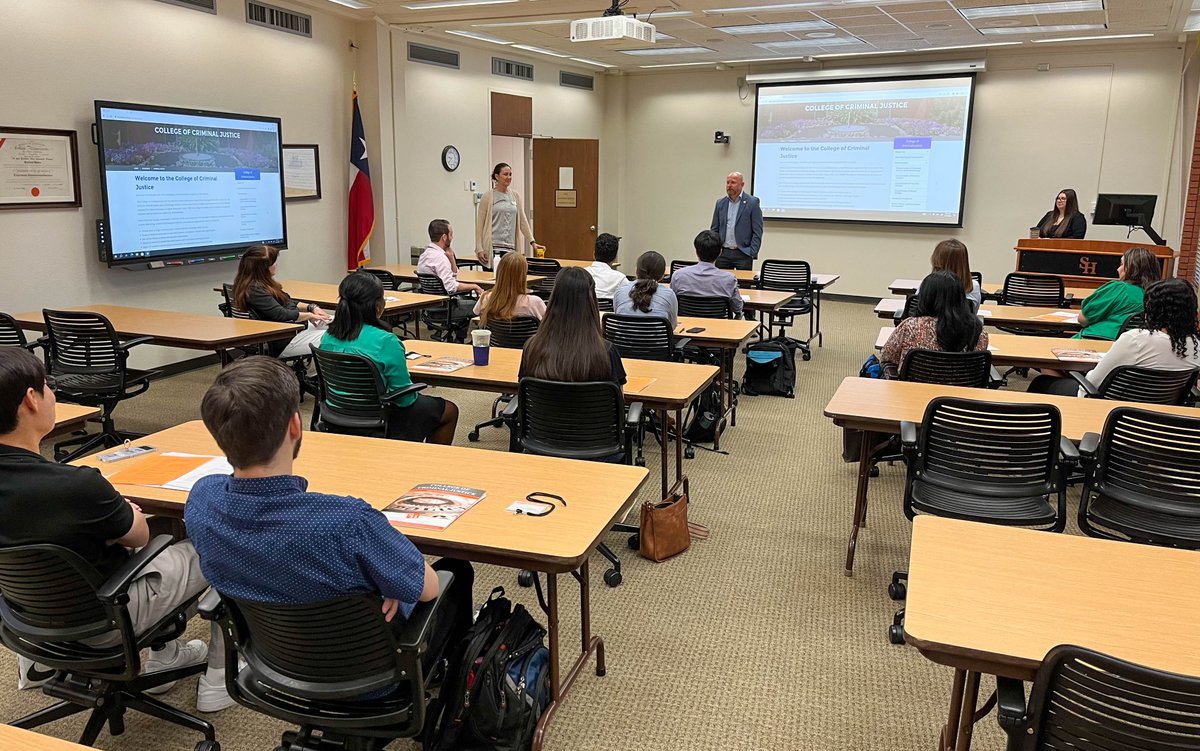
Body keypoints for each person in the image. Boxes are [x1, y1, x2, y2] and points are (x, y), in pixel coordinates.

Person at [185, 357, 474, 685]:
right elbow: (428, 588)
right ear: (295, 426)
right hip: (374, 678)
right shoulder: (348, 523)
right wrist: (390, 575)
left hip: (277, 668)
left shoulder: (201, 500)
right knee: (456, 570)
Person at [0, 348, 230, 711]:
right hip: (105, 621)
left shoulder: (65, 488)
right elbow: (139, 537)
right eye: (49, 385)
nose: (54, 394)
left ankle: (41, 664)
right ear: (30, 400)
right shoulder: (75, 486)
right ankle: (220, 678)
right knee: (219, 542)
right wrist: (128, 514)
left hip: (24, 619)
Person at [320, 272, 459, 444]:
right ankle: (428, 466)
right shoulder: (386, 341)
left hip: (336, 414)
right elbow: (405, 399)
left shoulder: (327, 336)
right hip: (379, 416)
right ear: (378, 305)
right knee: (450, 411)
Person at [1029, 278, 1200, 396]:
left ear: (1153, 309)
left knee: (1042, 383)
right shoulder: (1195, 346)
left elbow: (1095, 381)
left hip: (1112, 407)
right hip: (1154, 415)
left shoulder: (1136, 339)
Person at [520, 267, 626, 385]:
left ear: (553, 299)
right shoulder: (607, 352)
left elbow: (524, 393)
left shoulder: (531, 349)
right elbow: (618, 400)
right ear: (591, 303)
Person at [880, 271, 988, 378]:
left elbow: (887, 357)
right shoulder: (978, 331)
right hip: (961, 392)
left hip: (913, 392)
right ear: (961, 298)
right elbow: (979, 367)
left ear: (925, 296)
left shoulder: (910, 326)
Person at [232, 244, 330, 358]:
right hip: (285, 339)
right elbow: (281, 314)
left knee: (342, 324)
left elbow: (288, 301)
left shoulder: (263, 284)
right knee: (339, 337)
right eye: (273, 262)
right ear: (263, 268)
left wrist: (312, 308)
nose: (276, 264)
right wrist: (309, 316)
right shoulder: (255, 290)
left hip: (295, 328)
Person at [418, 219, 484, 341]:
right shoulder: (440, 258)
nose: (452, 237)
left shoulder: (425, 255)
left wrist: (451, 257)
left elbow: (452, 277)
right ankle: (474, 340)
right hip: (445, 309)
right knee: (482, 305)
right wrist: (474, 286)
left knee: (467, 301)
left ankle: (459, 338)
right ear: (444, 237)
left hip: (431, 307)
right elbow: (451, 287)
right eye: (451, 234)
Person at [1074, 247, 1159, 340]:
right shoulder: (1157, 295)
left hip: (1097, 341)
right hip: (1134, 347)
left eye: (1122, 264)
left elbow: (1083, 319)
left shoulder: (1119, 289)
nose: (1118, 269)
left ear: (1132, 268)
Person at [474, 162, 542, 267]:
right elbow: (480, 225)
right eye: (505, 174)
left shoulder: (515, 196)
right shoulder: (488, 197)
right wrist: (479, 248)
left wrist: (532, 241)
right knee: (494, 280)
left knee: (509, 280)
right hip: (493, 248)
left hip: (510, 248)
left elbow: (522, 220)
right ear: (497, 176)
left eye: (510, 174)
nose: (509, 177)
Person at [671, 229, 745, 319]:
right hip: (719, 329)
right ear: (720, 252)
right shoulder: (729, 279)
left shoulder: (678, 275)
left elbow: (672, 304)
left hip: (686, 328)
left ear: (696, 252)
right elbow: (737, 308)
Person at [710, 171, 763, 271]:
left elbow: (757, 231)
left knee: (744, 284)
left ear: (742, 184)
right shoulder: (720, 203)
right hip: (723, 253)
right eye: (727, 182)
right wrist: (715, 249)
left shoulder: (752, 202)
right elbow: (714, 229)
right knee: (721, 285)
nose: (729, 185)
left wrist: (752, 251)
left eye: (733, 182)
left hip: (743, 253)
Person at [474, 252, 546, 325]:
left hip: (496, 336)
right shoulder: (534, 303)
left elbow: (476, 315)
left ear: (499, 273)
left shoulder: (486, 298)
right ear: (523, 276)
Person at [614, 251, 678, 329]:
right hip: (657, 341)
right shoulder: (669, 295)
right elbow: (672, 326)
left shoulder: (620, 292)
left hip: (623, 341)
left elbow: (617, 321)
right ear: (662, 275)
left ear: (637, 271)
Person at [930, 239, 981, 310]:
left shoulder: (927, 286)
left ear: (936, 261)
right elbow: (973, 314)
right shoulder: (973, 287)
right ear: (964, 262)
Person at [586, 232, 629, 300]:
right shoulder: (621, 279)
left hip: (586, 310)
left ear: (593, 254)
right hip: (610, 310)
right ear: (615, 258)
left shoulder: (582, 274)